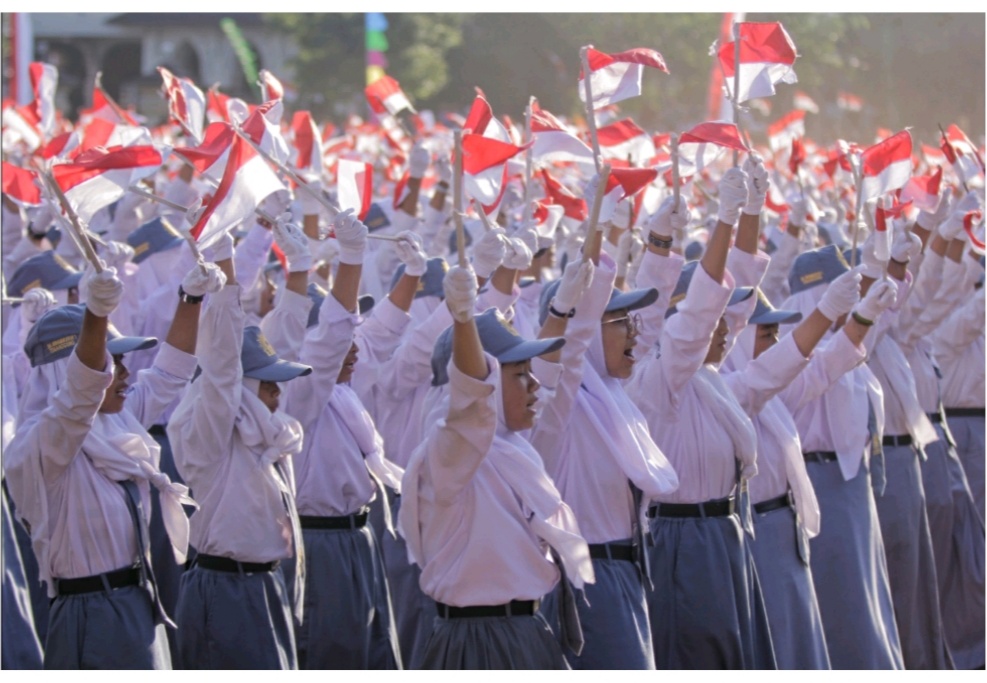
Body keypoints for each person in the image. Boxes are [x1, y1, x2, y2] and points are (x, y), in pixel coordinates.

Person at [5, 254, 213, 669]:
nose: (123, 373)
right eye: (111, 363)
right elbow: (77, 401)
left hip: (138, 602)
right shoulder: (39, 445)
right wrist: (97, 313)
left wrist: (190, 299)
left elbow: (170, 373)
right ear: (68, 371)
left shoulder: (117, 424)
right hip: (90, 614)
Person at [397, 265, 594, 670]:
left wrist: (561, 310)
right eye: (520, 375)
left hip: (524, 630)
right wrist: (464, 319)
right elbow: (471, 400)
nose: (535, 385)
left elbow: (549, 379)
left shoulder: (512, 448)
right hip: (479, 643)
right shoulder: (451, 455)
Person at [625, 166, 775, 669]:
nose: (728, 329)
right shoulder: (661, 375)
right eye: (714, 318)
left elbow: (739, 295)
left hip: (722, 535)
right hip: (681, 542)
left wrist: (751, 210)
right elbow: (700, 318)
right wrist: (724, 220)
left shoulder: (709, 378)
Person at [530, 213, 677, 669]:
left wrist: (660, 244)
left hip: (625, 575)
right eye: (616, 321)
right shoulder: (559, 408)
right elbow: (569, 352)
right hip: (587, 583)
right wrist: (594, 247)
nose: (634, 330)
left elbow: (650, 325)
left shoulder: (613, 398)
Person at [167, 231, 311, 670]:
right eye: (267, 385)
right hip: (225, 591)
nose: (276, 395)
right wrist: (227, 274)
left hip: (264, 585)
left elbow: (279, 335)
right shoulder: (209, 434)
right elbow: (221, 370)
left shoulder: (266, 434)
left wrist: (301, 270)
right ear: (243, 389)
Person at [779, 243, 904, 669]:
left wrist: (896, 262)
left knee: (863, 596)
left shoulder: (841, 337)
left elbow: (885, 309)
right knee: (842, 604)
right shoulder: (789, 347)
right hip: (815, 486)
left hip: (852, 485)